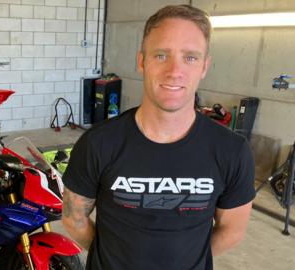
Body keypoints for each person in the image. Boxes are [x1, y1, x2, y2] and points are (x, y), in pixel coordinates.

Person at [61, 4, 255, 270]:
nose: (174, 71)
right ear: (142, 61)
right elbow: (74, 219)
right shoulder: (98, 143)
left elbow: (232, 231)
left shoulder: (231, 150)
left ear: (204, 66)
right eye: (161, 55)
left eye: (190, 57)